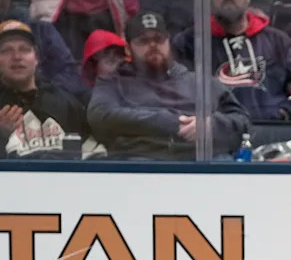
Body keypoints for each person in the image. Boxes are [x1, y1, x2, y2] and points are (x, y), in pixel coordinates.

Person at [87, 11, 249, 160]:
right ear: (128, 50)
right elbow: (100, 117)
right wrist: (169, 122)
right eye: (143, 41)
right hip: (140, 163)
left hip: (203, 163)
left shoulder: (202, 82)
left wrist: (211, 126)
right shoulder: (113, 82)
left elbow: (242, 120)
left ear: (168, 42)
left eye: (159, 39)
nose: (153, 45)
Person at [172, 0, 291, 122]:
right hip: (217, 140)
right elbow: (174, 94)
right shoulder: (188, 43)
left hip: (271, 136)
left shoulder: (278, 41)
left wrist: (284, 115)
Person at [0, 20, 101, 159]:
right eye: (6, 51)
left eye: (24, 49)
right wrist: (1, 136)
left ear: (36, 58)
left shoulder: (66, 103)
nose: (17, 57)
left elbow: (94, 154)